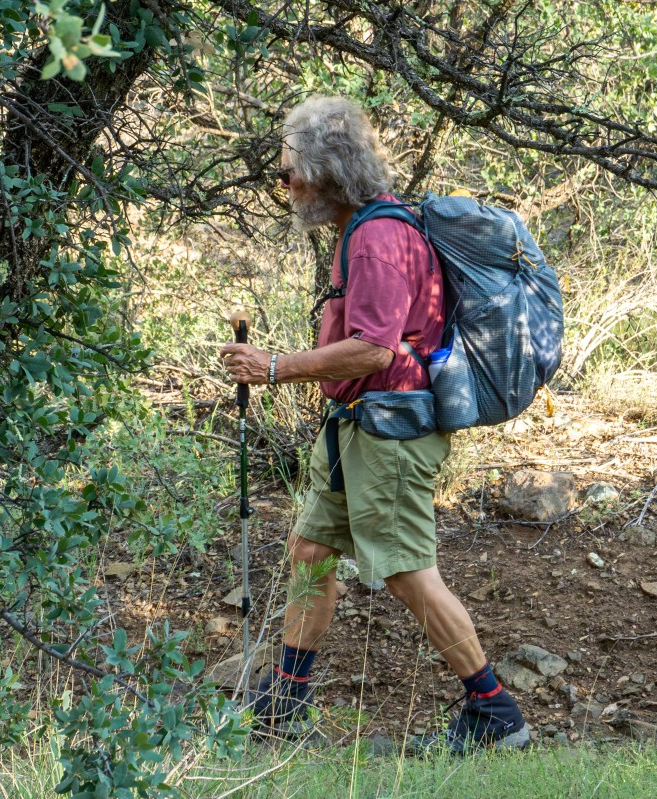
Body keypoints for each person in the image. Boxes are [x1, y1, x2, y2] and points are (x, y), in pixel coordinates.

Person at [219, 96, 530, 754]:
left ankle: (495, 710)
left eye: (288, 173)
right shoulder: (358, 230)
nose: (285, 187)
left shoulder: (378, 240)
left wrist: (274, 366)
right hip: (356, 425)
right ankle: (285, 699)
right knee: (310, 550)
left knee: (405, 570)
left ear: (325, 171)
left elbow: (374, 349)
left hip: (391, 430)